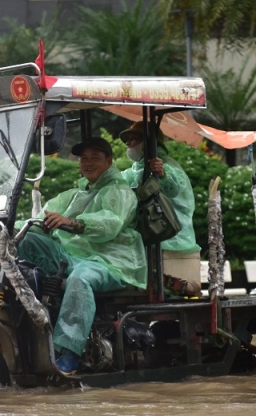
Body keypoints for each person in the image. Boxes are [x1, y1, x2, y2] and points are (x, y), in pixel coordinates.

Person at [18, 137, 146, 375]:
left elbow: (110, 223)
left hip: (110, 262)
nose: (88, 162)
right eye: (83, 158)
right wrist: (11, 227)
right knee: (25, 239)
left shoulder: (119, 191)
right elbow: (39, 218)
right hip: (73, 256)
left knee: (80, 279)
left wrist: (74, 223)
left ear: (108, 161)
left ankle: (70, 352)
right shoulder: (75, 195)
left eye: (95, 158)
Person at [119, 121, 200, 283]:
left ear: (148, 141)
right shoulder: (136, 169)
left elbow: (174, 188)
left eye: (133, 138)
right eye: (127, 140)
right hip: (149, 242)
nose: (128, 143)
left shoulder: (168, 166)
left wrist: (162, 174)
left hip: (170, 241)